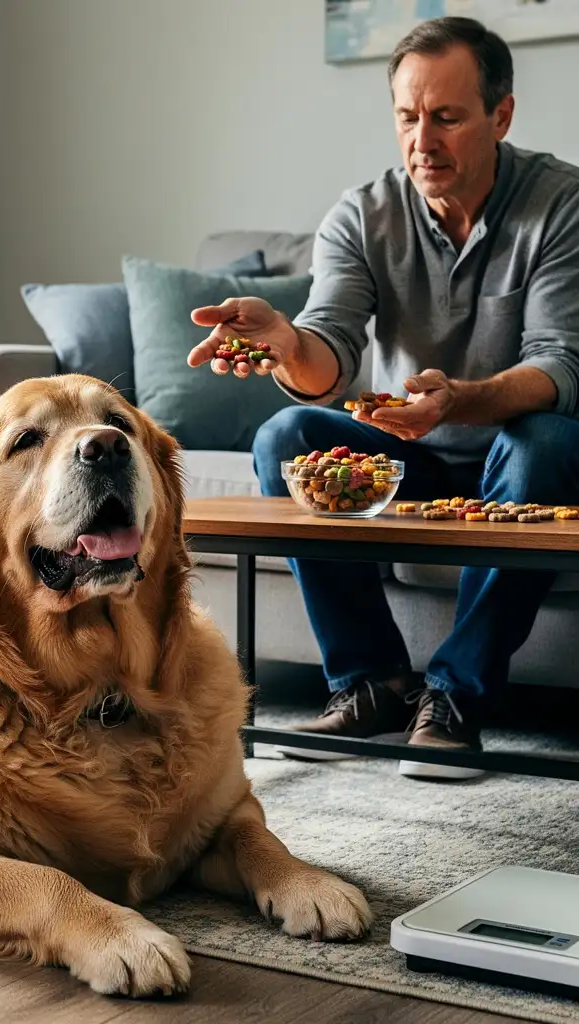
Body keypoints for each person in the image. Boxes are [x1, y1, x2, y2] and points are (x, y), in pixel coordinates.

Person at [186, 16, 579, 781]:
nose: (422, 141)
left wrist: (459, 401)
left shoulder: (562, 204)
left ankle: (458, 699)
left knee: (550, 439)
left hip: (527, 454)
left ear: (501, 115)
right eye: (407, 117)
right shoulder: (362, 214)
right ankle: (370, 683)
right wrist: (289, 343)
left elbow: (561, 365)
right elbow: (328, 349)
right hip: (416, 452)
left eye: (447, 117)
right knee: (285, 437)